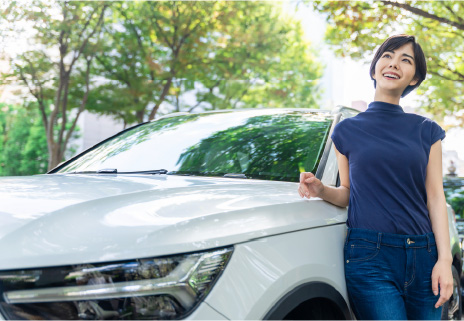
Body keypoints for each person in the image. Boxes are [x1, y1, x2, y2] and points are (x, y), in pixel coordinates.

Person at [298, 34, 453, 320]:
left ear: (415, 78)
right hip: (370, 257)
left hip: (423, 253)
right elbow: (347, 193)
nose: (394, 64)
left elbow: (435, 197)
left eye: (405, 60)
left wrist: (444, 259)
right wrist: (321, 189)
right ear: (374, 69)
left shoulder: (427, 131)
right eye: (387, 56)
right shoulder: (346, 131)